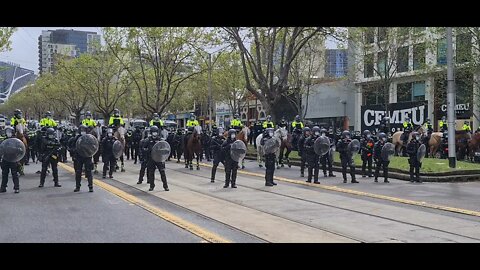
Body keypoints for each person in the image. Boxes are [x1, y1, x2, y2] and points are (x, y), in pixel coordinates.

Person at [143, 126, 169, 191]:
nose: (154, 134)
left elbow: (165, 148)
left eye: (156, 132)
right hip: (151, 158)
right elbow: (143, 148)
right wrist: (147, 150)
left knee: (162, 172)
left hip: (159, 158)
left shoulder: (160, 140)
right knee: (151, 173)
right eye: (153, 132)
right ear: (151, 133)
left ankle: (165, 186)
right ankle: (152, 186)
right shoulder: (148, 140)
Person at [68, 125, 94, 192]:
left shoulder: (89, 138)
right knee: (78, 172)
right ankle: (77, 186)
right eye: (82, 130)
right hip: (79, 157)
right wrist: (74, 150)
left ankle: (90, 187)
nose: (83, 132)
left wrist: (91, 151)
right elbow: (71, 147)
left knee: (89, 171)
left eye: (84, 130)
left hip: (87, 156)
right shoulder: (76, 138)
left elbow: (93, 146)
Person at [0, 127, 20, 193]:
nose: (8, 133)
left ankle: (16, 187)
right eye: (7, 132)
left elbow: (19, 149)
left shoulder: (16, 140)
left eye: (10, 132)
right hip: (5, 158)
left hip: (13, 158)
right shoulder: (3, 140)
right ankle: (3, 187)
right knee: (4, 174)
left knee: (14, 173)